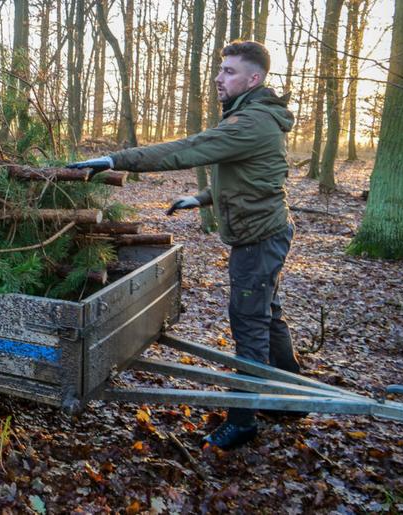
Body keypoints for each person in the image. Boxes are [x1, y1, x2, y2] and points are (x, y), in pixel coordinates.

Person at [67, 40, 301, 451]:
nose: (218, 77)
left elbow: (189, 149)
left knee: (249, 323)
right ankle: (290, 398)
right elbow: (255, 178)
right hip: (266, 231)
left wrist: (114, 159)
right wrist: (202, 198)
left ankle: (244, 420)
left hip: (258, 240)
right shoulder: (256, 117)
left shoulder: (250, 122)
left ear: (254, 78)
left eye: (229, 70)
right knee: (269, 315)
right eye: (220, 69)